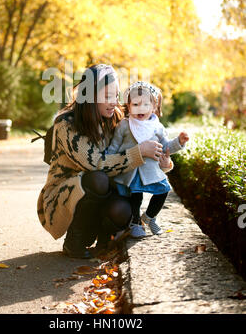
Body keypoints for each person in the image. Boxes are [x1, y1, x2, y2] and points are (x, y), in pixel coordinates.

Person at [37, 64, 165, 258]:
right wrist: (138, 153)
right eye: (107, 96)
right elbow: (95, 163)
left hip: (100, 192)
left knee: (123, 209)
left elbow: (145, 133)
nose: (114, 102)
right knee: (98, 179)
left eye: (116, 95)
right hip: (64, 195)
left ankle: (105, 242)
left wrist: (161, 157)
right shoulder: (66, 123)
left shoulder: (116, 118)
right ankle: (76, 241)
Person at [107, 81, 189, 238]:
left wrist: (179, 142)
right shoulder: (124, 125)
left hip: (151, 170)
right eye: (136, 104)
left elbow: (165, 147)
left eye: (146, 104)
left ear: (154, 106)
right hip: (131, 170)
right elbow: (114, 146)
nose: (141, 108)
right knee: (135, 196)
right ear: (128, 106)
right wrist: (110, 161)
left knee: (164, 190)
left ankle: (149, 217)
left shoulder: (157, 127)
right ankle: (135, 222)